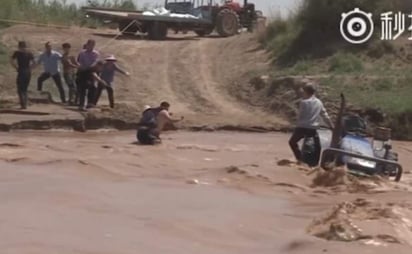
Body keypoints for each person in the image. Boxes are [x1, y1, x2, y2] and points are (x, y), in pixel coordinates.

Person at [288, 83, 334, 165]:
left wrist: (295, 125)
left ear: (305, 92)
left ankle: (300, 159)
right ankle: (315, 163)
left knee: (292, 142)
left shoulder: (304, 102)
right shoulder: (319, 102)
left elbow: (300, 116)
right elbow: (325, 115)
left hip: (302, 127)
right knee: (316, 146)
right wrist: (331, 126)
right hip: (313, 128)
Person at [10, 41, 35, 109]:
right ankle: (25, 104)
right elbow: (34, 63)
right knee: (25, 89)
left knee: (20, 89)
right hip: (27, 72)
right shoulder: (29, 53)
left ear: (19, 46)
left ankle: (23, 104)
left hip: (21, 71)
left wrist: (16, 67)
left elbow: (11, 61)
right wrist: (30, 69)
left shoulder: (17, 53)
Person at [77, 39, 100, 108]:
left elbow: (95, 62)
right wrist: (82, 67)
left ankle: (90, 103)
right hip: (83, 72)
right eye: (90, 44)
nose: (91, 46)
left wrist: (90, 67)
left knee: (93, 87)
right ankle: (81, 104)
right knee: (82, 88)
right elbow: (80, 62)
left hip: (91, 71)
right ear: (87, 45)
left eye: (93, 45)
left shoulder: (96, 53)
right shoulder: (82, 53)